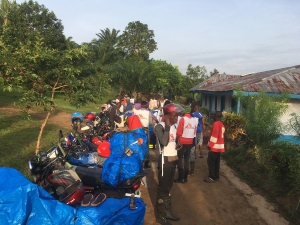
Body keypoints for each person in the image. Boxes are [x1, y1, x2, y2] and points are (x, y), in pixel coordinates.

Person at [155, 103, 183, 225]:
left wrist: (178, 144)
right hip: (164, 162)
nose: (176, 118)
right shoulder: (159, 126)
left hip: (173, 160)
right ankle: (160, 217)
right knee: (162, 189)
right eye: (173, 115)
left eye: (177, 116)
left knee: (169, 188)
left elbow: (172, 143)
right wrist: (166, 125)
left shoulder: (173, 127)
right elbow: (164, 142)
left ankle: (168, 212)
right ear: (166, 115)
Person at [174, 109, 198, 183]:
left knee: (180, 159)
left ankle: (181, 178)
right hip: (190, 142)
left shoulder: (182, 119)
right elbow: (194, 132)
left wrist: (177, 140)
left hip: (182, 142)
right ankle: (185, 178)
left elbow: (179, 133)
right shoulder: (194, 120)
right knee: (187, 160)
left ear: (184, 112)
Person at [204, 111, 225, 183]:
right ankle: (216, 176)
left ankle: (212, 177)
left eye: (214, 115)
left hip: (214, 147)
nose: (212, 116)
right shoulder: (222, 124)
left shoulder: (216, 124)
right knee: (217, 162)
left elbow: (214, 136)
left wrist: (210, 146)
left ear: (216, 116)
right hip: (219, 147)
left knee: (211, 162)